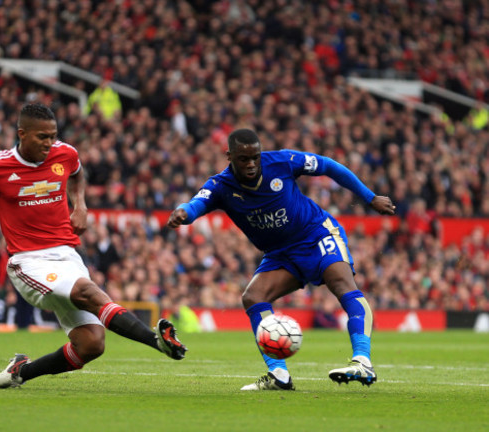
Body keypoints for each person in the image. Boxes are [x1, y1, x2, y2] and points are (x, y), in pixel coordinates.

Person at [0, 103, 186, 389]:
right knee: (88, 291)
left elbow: (77, 172)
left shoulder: (65, 153)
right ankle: (155, 341)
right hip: (28, 262)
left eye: (53, 135)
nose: (49, 143)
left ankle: (21, 372)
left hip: (67, 256)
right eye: (42, 137)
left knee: (91, 344)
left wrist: (79, 204)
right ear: (22, 134)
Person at [167, 128, 395, 391]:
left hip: (316, 234)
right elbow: (196, 204)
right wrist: (183, 212)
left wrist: (370, 197)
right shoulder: (220, 186)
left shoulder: (283, 161)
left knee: (343, 285)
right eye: (243, 159)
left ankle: (363, 361)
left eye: (255, 157)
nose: (251, 164)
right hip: (281, 254)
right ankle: (279, 375)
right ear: (229, 156)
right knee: (253, 297)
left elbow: (329, 166)